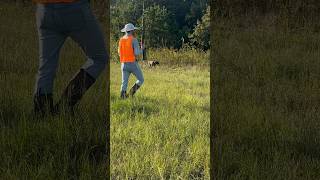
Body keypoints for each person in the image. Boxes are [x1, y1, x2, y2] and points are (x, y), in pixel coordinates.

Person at [33, 0, 108, 115]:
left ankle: (41, 113)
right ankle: (64, 107)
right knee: (99, 58)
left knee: (46, 66)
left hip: (44, 9)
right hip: (75, 8)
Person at [118, 23, 144, 99]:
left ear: (126, 31)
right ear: (132, 30)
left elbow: (119, 53)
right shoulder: (134, 39)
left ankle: (122, 97)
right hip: (132, 64)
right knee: (141, 79)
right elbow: (136, 53)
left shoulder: (121, 40)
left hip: (123, 64)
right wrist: (142, 49)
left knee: (124, 82)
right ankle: (131, 94)